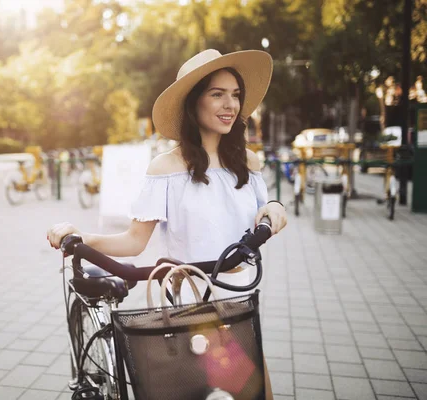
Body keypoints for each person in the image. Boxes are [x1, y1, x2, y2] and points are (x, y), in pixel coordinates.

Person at [48, 49, 287, 398]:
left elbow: (263, 209)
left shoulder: (247, 163)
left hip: (241, 298)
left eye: (235, 95)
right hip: (192, 303)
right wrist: (82, 236)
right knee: (234, 390)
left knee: (257, 394)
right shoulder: (167, 169)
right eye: (217, 94)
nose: (230, 105)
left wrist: (275, 207)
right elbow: (134, 241)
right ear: (194, 103)